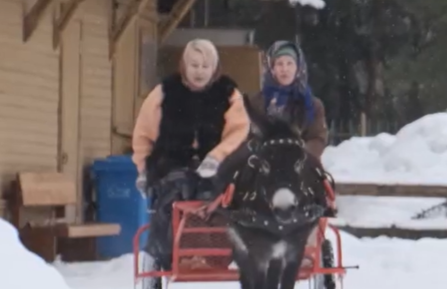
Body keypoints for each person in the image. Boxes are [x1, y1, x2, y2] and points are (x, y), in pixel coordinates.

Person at [131, 39, 249, 270]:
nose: (199, 71)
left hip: (217, 164)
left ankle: (215, 254)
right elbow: (143, 134)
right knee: (176, 192)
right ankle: (176, 254)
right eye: (194, 65)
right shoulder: (164, 92)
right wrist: (143, 169)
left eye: (205, 66)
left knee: (214, 195)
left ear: (214, 68)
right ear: (184, 65)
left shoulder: (229, 94)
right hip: (172, 162)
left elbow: (238, 132)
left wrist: (216, 157)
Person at [258, 40, 329, 158]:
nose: (284, 69)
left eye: (289, 63)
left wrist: (300, 155)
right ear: (272, 69)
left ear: (298, 68)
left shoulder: (313, 105)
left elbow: (317, 137)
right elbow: (249, 136)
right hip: (265, 163)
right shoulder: (258, 102)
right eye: (279, 64)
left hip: (301, 164)